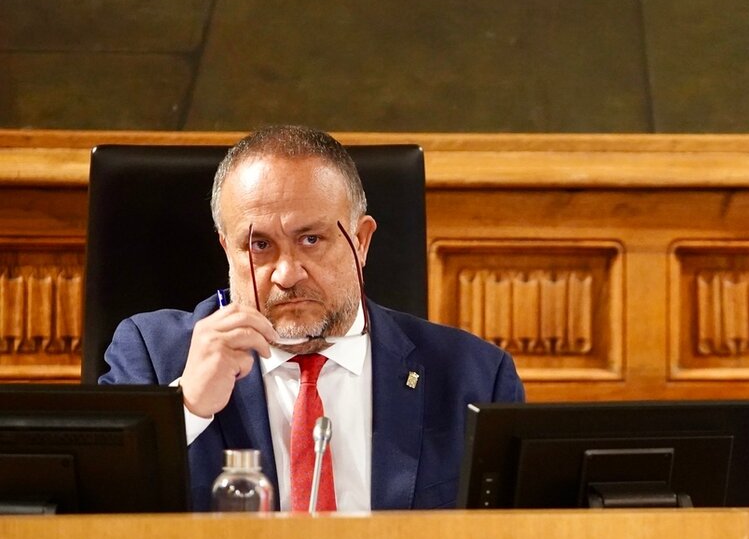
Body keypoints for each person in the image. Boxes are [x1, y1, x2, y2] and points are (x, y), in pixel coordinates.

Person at [99, 125, 524, 511]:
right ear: (227, 250)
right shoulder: (154, 356)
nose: (287, 273)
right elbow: (93, 515)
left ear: (360, 242)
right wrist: (185, 407)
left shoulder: (474, 378)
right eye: (260, 245)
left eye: (311, 239)